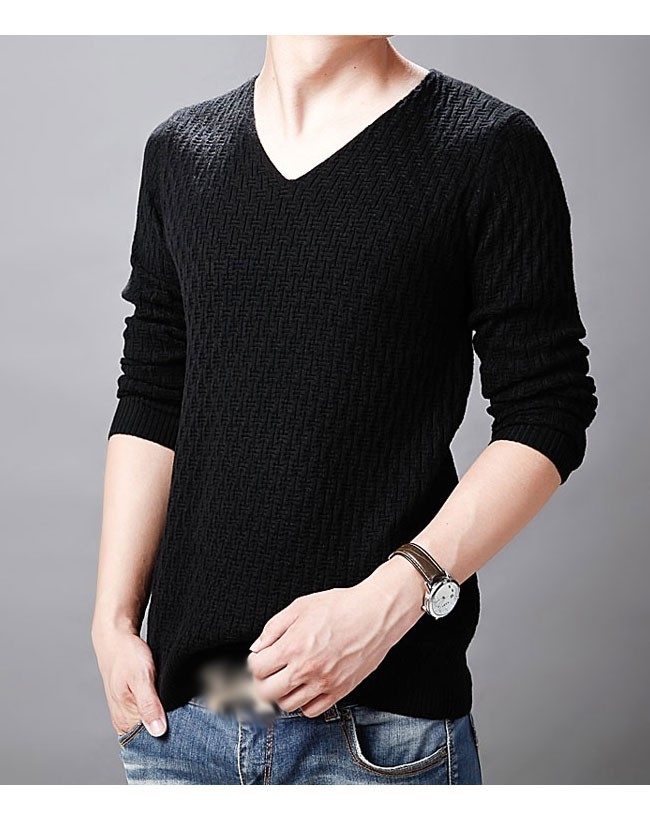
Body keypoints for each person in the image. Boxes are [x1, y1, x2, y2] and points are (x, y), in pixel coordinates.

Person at [91, 35, 598, 785]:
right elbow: (153, 393)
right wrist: (111, 621)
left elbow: (548, 407)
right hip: (185, 727)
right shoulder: (181, 153)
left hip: (380, 735)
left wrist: (393, 598)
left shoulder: (487, 148)